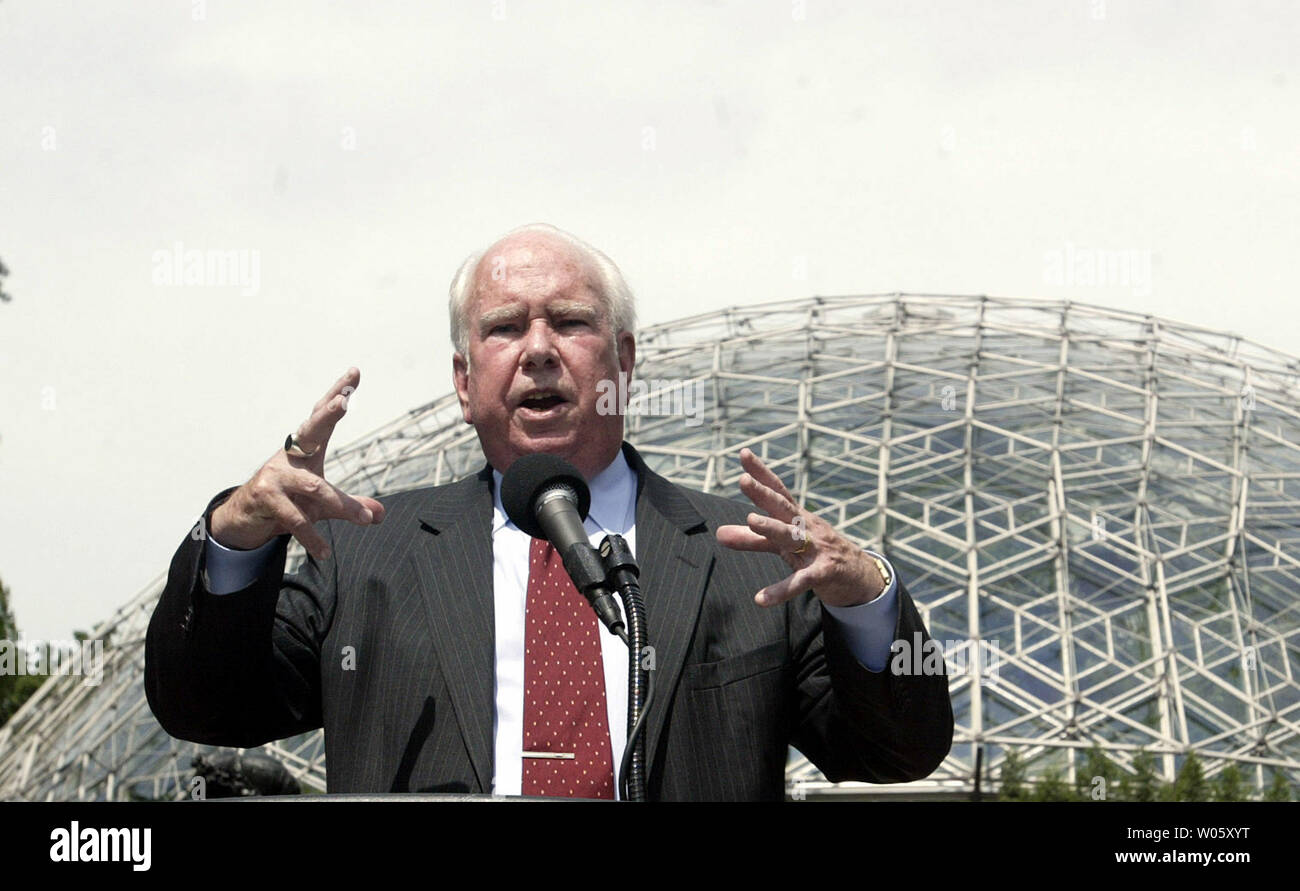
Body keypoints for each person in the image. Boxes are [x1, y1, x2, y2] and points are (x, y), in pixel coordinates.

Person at [145, 223, 953, 800]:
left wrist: (867, 596)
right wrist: (238, 537)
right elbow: (206, 705)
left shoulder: (744, 558)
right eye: (504, 328)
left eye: (569, 321)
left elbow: (897, 751)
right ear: (464, 382)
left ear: (625, 361)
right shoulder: (363, 553)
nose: (537, 348)